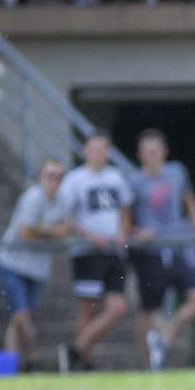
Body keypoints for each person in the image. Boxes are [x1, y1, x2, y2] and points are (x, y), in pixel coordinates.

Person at [128, 128, 195, 370]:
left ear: (164, 152)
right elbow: (125, 217)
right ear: (140, 155)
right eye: (146, 152)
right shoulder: (134, 181)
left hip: (178, 247)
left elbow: (188, 198)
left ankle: (165, 338)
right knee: (148, 310)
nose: (151, 156)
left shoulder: (176, 172)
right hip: (151, 252)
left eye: (155, 151)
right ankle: (148, 365)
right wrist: (137, 231)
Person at [57, 131, 133, 372]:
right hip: (88, 252)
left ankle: (75, 350)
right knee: (87, 310)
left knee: (117, 308)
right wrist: (91, 236)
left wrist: (123, 231)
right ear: (85, 151)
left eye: (103, 149)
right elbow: (65, 220)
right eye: (93, 149)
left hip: (113, 251)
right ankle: (83, 361)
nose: (98, 154)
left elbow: (125, 210)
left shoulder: (116, 177)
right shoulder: (75, 180)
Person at [0, 159, 69, 371]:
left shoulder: (62, 200)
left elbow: (64, 231)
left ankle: (12, 366)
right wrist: (52, 232)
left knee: (17, 320)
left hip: (37, 269)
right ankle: (33, 359)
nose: (55, 181)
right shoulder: (33, 198)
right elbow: (26, 232)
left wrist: (46, 232)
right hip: (12, 263)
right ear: (41, 177)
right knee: (22, 317)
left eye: (59, 177)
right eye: (50, 175)